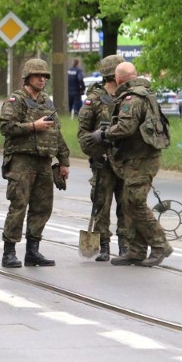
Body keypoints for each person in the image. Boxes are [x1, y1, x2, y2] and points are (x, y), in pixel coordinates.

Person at [89, 61, 173, 267]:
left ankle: (161, 244)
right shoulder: (144, 93)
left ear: (119, 79)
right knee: (129, 203)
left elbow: (126, 127)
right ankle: (136, 250)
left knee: (135, 202)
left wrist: (104, 134)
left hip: (141, 159)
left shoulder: (131, 98)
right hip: (139, 157)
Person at [0, 58, 70, 268]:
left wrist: (64, 161)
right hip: (22, 160)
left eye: (45, 76)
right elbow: (6, 128)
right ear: (27, 77)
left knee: (42, 207)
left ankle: (33, 250)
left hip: (43, 162)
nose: (42, 79)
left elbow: (57, 133)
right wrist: (32, 126)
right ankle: (9, 252)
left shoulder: (46, 102)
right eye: (38, 75)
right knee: (18, 205)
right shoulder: (16, 100)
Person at [77, 55, 128, 261]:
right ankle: (104, 245)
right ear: (114, 75)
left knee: (127, 205)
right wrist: (97, 151)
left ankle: (125, 245)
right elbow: (83, 135)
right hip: (103, 163)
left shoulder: (129, 98)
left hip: (125, 161)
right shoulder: (95, 100)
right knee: (101, 205)